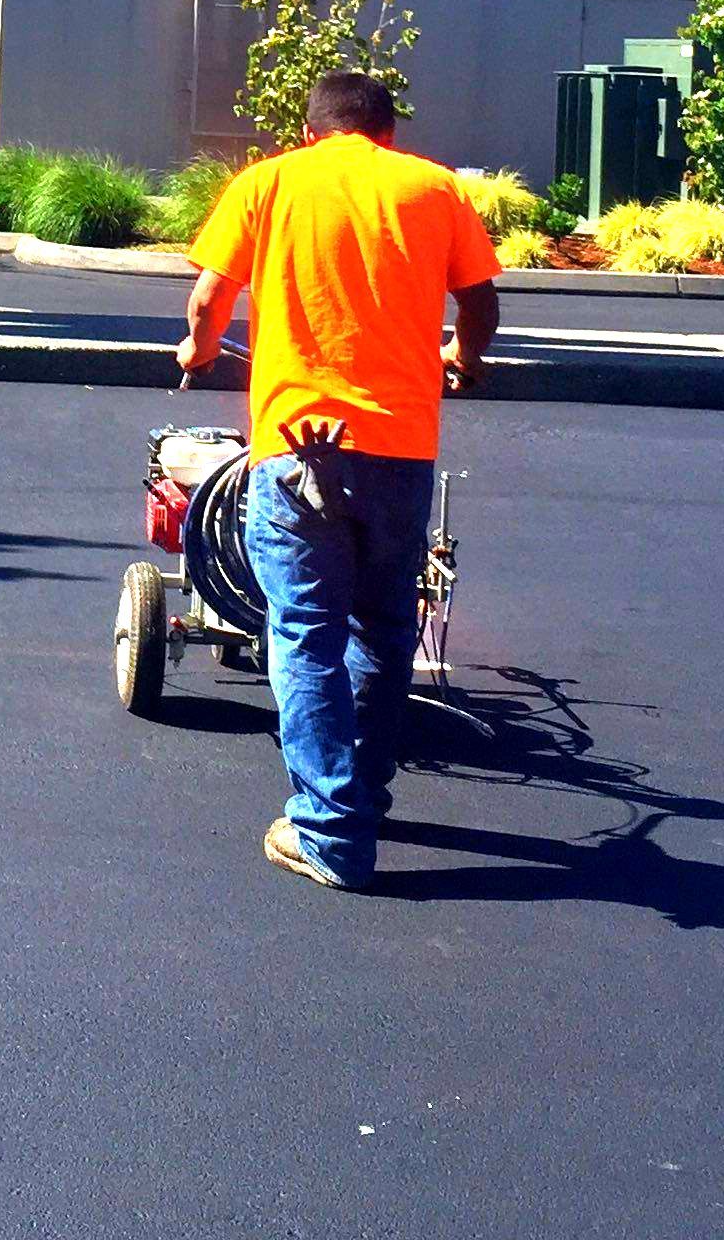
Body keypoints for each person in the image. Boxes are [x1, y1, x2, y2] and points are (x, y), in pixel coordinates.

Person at [177, 70, 501, 892]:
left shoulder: (269, 182)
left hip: (297, 450)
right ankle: (362, 796)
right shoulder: (433, 189)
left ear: (313, 130)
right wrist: (463, 362)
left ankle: (330, 833)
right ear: (386, 132)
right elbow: (481, 305)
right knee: (385, 631)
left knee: (304, 633)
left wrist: (202, 352)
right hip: (399, 451)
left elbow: (210, 297)